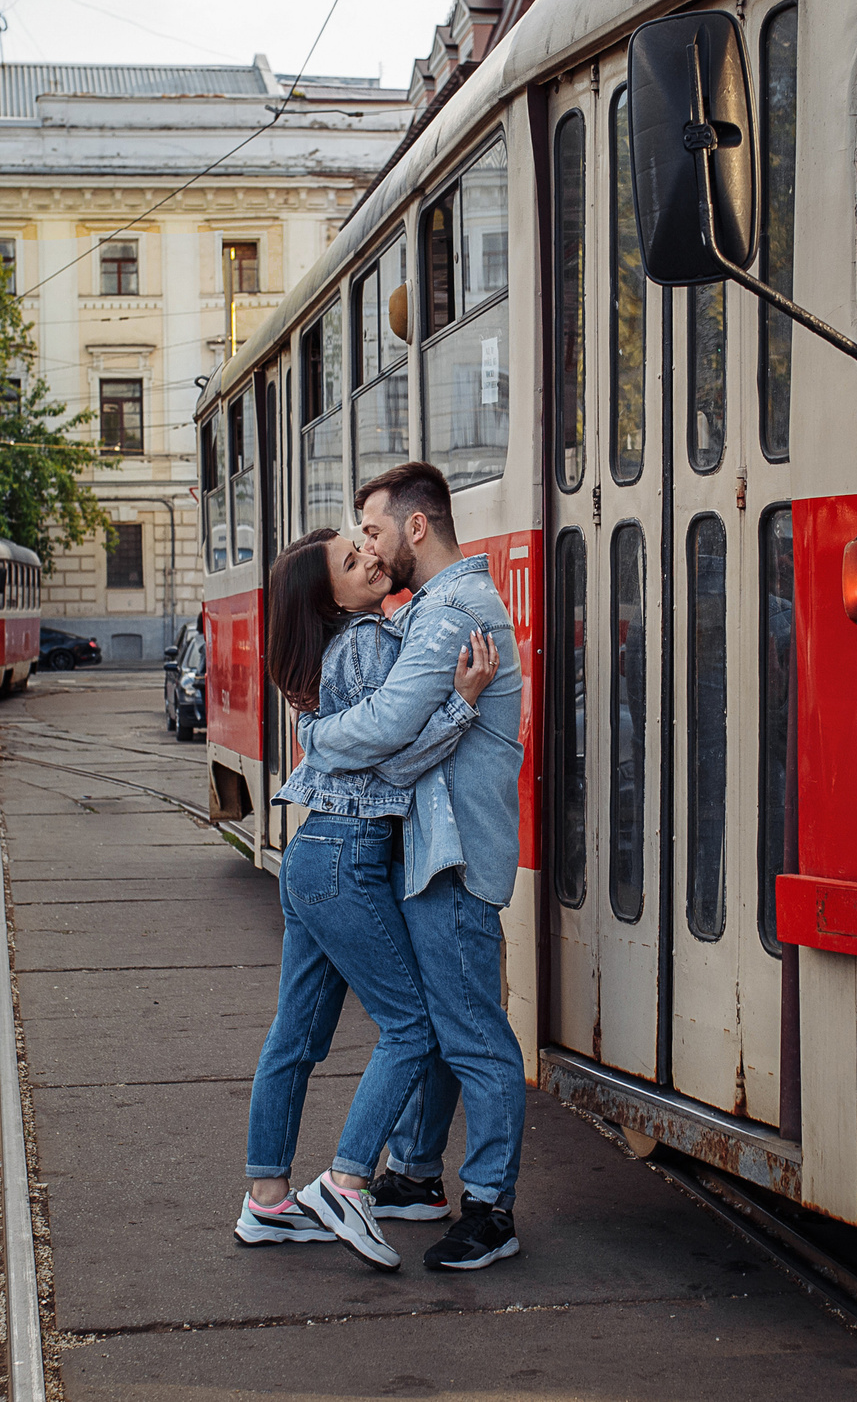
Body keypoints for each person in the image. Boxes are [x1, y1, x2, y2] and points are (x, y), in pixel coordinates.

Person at [238, 527, 498, 1272]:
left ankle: (267, 1199)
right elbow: (398, 761)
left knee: (295, 1036)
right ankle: (348, 1180)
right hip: (347, 855)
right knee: (413, 1025)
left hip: (312, 852)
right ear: (331, 601)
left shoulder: (336, 652)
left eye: (361, 545)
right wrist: (462, 704)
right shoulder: (367, 644)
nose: (370, 558)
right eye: (352, 564)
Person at [298, 461, 528, 1271]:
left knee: (473, 1035)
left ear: (416, 526)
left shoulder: (453, 610)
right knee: (435, 1026)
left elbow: (389, 731)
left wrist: (315, 737)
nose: (367, 543)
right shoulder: (431, 609)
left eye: (374, 528)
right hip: (437, 850)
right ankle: (418, 1174)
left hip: (454, 855)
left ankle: (492, 1209)